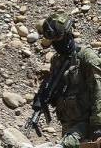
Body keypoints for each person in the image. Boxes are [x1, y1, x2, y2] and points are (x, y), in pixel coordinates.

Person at [36, 14, 101, 148]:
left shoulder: (86, 57)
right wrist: (44, 97)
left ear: (67, 34)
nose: (55, 43)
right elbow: (61, 90)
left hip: (87, 125)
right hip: (69, 125)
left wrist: (97, 126)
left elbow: (98, 91)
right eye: (52, 40)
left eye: (58, 38)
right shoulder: (56, 60)